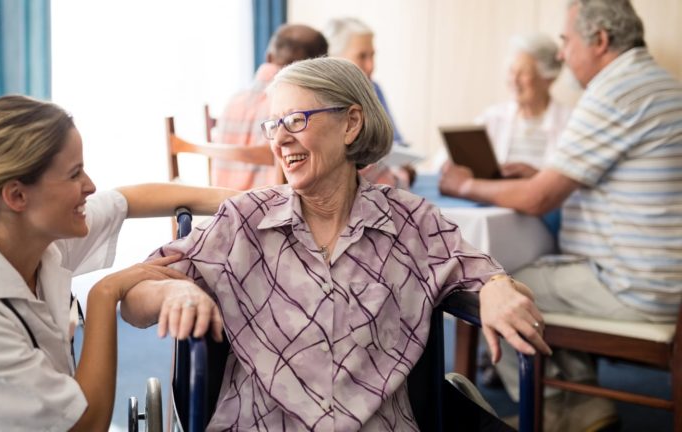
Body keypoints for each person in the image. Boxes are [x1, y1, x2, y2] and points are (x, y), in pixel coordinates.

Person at [121, 57, 551, 430]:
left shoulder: (413, 223)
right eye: (273, 124)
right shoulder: (245, 221)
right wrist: (174, 289)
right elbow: (134, 302)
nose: (279, 138)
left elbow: (499, 287)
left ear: (351, 123)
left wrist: (497, 287)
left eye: (296, 120)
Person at [0, 95, 237, 431]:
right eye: (74, 174)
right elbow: (85, 426)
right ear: (17, 196)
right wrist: (104, 294)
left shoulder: (38, 241)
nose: (90, 186)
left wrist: (253, 199)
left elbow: (127, 200)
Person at [440, 0, 682, 430]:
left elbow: (537, 200)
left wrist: (463, 186)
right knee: (540, 272)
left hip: (632, 288)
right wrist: (544, 175)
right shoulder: (656, 83)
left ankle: (550, 406)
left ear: (601, 40)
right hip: (660, 278)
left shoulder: (614, 90)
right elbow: (601, 178)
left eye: (566, 42)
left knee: (496, 287)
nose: (563, 54)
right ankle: (583, 405)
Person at [210, 23, 328, 190]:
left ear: (269, 57)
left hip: (220, 204)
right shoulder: (297, 108)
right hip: (269, 207)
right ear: (318, 67)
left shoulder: (232, 101)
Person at [324, 17, 417, 189]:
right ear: (334, 57)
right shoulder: (321, 101)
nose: (371, 66)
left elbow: (396, 142)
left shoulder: (374, 89)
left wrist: (404, 164)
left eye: (372, 55)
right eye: (362, 56)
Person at [477, 33, 572, 179]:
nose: (514, 80)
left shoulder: (570, 122)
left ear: (548, 78)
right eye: (512, 71)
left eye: (524, 73)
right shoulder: (492, 117)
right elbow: (445, 162)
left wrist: (536, 177)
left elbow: (578, 188)